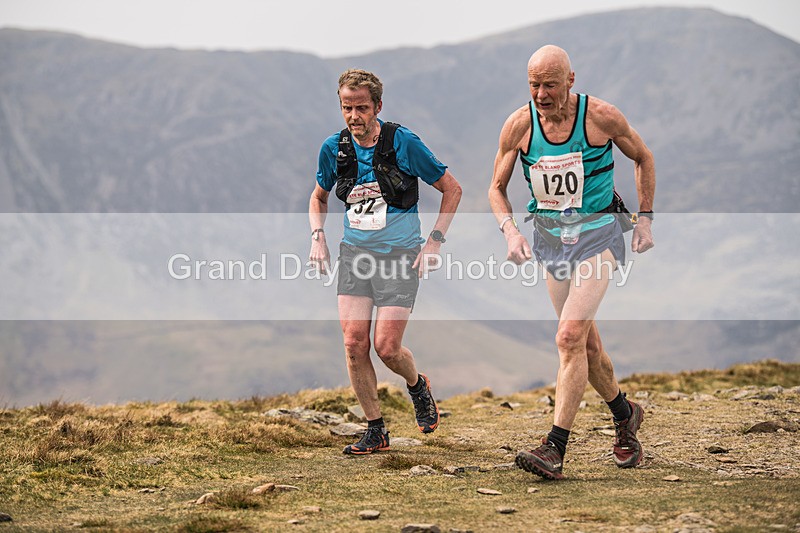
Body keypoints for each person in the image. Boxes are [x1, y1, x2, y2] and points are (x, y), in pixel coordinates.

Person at [488, 45, 656, 480]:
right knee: (588, 347)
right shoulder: (519, 125)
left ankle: (554, 448)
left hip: (598, 236)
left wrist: (646, 220)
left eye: (550, 84)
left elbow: (643, 157)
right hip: (550, 241)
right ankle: (625, 414)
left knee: (568, 337)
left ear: (570, 80)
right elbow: (495, 188)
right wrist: (510, 231)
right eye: (534, 85)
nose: (541, 94)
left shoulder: (601, 116)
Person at [309, 69, 462, 455]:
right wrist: (318, 238)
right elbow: (319, 197)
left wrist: (435, 242)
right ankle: (375, 429)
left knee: (387, 347)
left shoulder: (403, 143)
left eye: (362, 107)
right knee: (353, 343)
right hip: (354, 255)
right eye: (347, 107)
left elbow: (452, 189)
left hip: (399, 258)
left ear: (377, 106)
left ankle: (417, 385)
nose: (354, 116)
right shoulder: (335, 148)